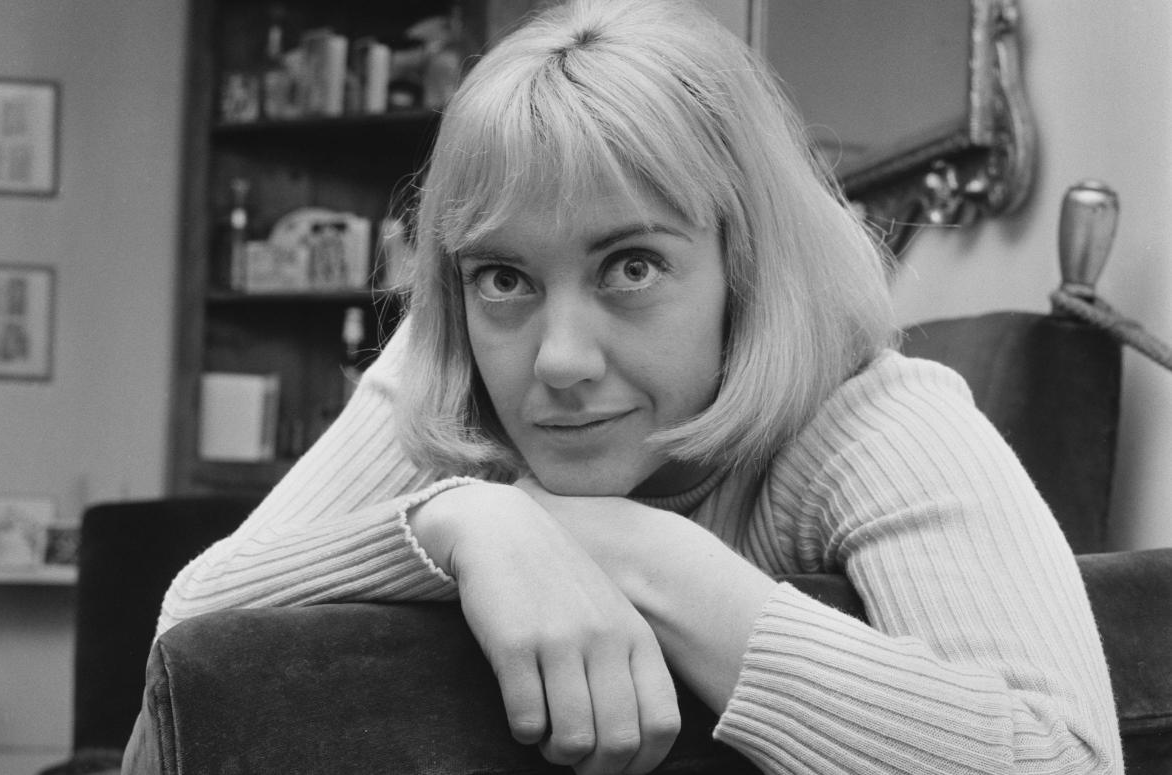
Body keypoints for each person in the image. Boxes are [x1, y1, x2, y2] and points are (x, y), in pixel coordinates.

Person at [134, 1, 1121, 773]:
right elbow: (194, 632)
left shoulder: (875, 417)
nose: (558, 358)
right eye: (505, 277)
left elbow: (1063, 754)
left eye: (631, 266)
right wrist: (463, 523)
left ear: (746, 264)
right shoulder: (453, 380)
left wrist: (646, 556)